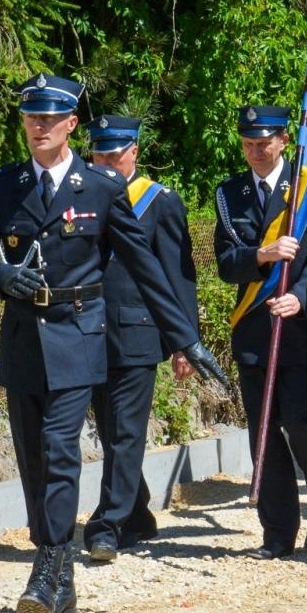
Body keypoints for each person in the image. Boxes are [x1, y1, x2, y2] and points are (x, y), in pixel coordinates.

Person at [0, 73, 226, 613]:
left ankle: (48, 566)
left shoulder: (99, 188)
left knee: (59, 450)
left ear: (71, 124)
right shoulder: (0, 187)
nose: (39, 127)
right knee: (33, 458)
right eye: (32, 118)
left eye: (50, 119)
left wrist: (186, 338)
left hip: (79, 336)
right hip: (24, 341)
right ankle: (63, 580)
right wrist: (2, 277)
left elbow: (148, 269)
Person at [214, 104, 307, 560]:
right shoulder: (229, 194)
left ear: (284, 141)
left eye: (264, 143)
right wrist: (262, 255)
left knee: (297, 420)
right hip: (253, 328)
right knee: (263, 431)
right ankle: (278, 529)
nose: (256, 151)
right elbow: (227, 264)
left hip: (300, 327)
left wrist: (302, 297)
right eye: (248, 144)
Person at [83, 115, 199, 562]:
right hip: (89, 331)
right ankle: (137, 512)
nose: (109, 161)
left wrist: (183, 341)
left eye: (116, 153)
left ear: (135, 151)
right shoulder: (83, 195)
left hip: (138, 332)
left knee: (126, 433)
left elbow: (178, 276)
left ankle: (107, 524)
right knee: (110, 429)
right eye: (100, 154)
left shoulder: (159, 202)